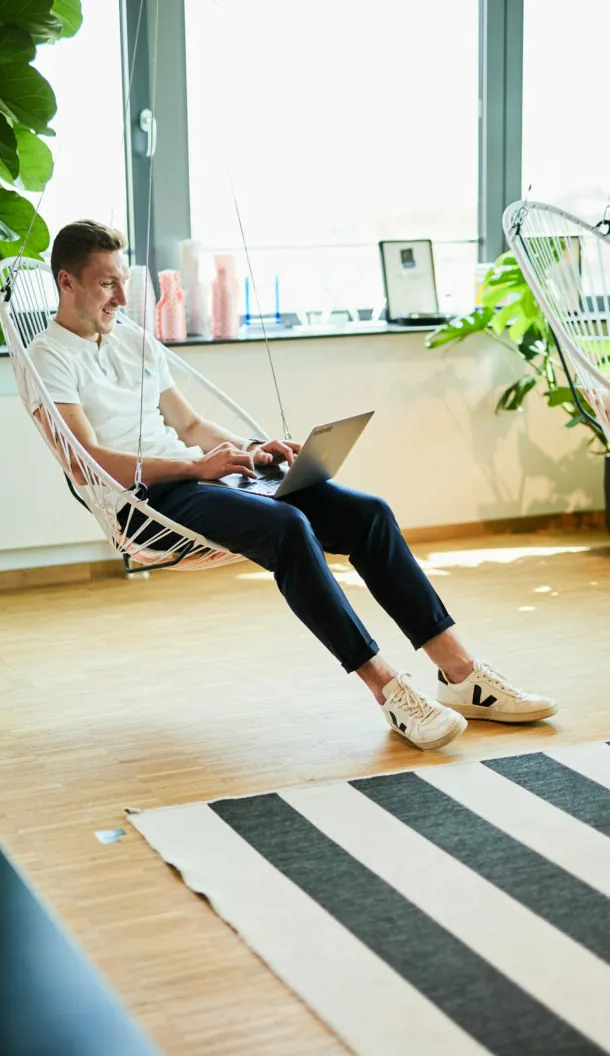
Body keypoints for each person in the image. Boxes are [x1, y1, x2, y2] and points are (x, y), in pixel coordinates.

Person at [29, 221, 557, 751]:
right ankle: (390, 690)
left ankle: (461, 675)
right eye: (106, 285)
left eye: (123, 282)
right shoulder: (48, 359)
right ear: (67, 282)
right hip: (147, 503)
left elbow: (190, 428)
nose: (121, 297)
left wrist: (251, 450)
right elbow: (88, 463)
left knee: (368, 514)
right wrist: (197, 469)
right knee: (287, 526)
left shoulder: (133, 340)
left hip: (204, 478)